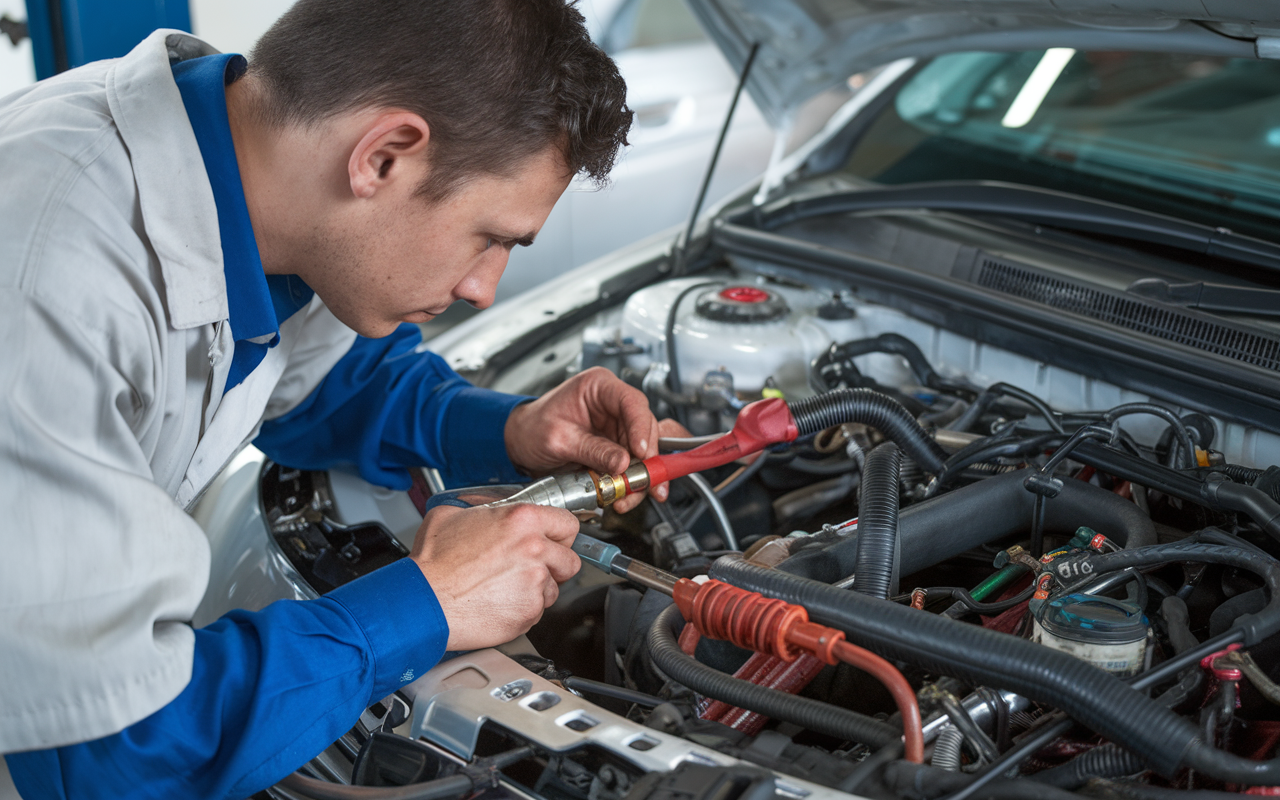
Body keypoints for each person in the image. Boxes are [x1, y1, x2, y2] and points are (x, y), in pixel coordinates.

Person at [0, 1, 674, 797]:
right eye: (489, 236)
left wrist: (516, 430)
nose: (483, 289)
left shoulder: (257, 178)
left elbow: (322, 388)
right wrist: (424, 603)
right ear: (383, 156)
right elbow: (107, 748)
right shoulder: (49, 291)